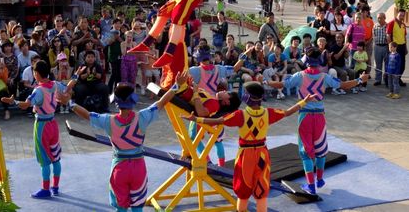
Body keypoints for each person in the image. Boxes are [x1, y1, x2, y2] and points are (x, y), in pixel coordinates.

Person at [184, 82, 316, 212]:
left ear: (246, 97)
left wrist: (196, 119)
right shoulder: (268, 113)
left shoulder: (240, 115)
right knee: (262, 188)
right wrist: (303, 102)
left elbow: (218, 121)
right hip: (262, 155)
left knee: (243, 188)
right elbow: (287, 112)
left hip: (245, 155)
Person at [65, 71, 187, 211]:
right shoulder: (143, 117)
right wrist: (177, 85)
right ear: (133, 100)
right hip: (138, 168)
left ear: (116, 102)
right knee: (137, 208)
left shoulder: (108, 121)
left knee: (121, 208)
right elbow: (161, 102)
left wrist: (69, 103)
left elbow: (87, 115)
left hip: (119, 169)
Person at [275, 48, 369, 195]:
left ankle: (311, 186)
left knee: (306, 152)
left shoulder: (299, 76)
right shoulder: (325, 77)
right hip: (320, 117)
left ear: (306, 60)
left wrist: (264, 82)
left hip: (305, 117)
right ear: (319, 62)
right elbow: (343, 85)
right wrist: (359, 80)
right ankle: (319, 179)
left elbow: (282, 85)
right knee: (320, 149)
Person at [1, 60, 81, 198]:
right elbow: (68, 87)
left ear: (36, 74)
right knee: (55, 158)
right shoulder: (55, 84)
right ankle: (55, 187)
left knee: (44, 159)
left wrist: (12, 101)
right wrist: (76, 76)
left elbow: (25, 105)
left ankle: (45, 189)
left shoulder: (38, 90)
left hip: (42, 126)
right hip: (53, 124)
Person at [386, 9, 407, 87]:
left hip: (402, 46)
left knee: (402, 66)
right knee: (393, 65)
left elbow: (404, 37)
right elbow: (388, 35)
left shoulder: (403, 25)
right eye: (400, 15)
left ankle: (398, 79)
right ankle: (390, 81)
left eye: (403, 15)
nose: (401, 17)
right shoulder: (391, 23)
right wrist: (390, 47)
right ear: (397, 14)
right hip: (395, 47)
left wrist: (406, 48)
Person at [373, 12, 388, 86]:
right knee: (378, 64)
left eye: (380, 18)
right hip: (377, 46)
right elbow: (374, 35)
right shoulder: (375, 26)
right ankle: (378, 80)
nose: (379, 19)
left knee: (387, 64)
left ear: (384, 18)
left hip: (385, 46)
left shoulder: (387, 26)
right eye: (378, 18)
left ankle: (386, 79)